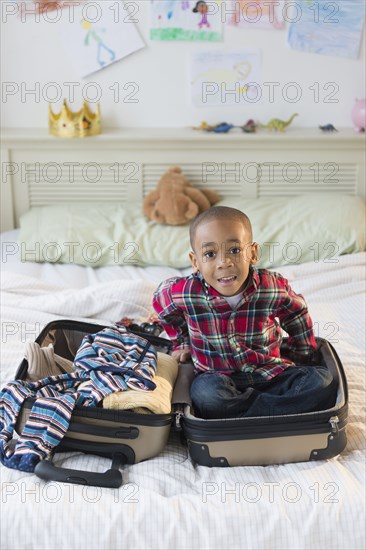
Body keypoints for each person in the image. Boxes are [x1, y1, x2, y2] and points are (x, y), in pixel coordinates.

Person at [152, 206, 337, 419]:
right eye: (210, 254)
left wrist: (302, 353)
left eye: (235, 250)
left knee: (322, 382)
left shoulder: (271, 287)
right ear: (195, 262)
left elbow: (296, 313)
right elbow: (160, 302)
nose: (224, 262)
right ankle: (281, 412)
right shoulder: (186, 292)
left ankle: (243, 415)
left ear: (253, 253)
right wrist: (182, 343)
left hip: (271, 373)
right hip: (217, 377)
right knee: (206, 396)